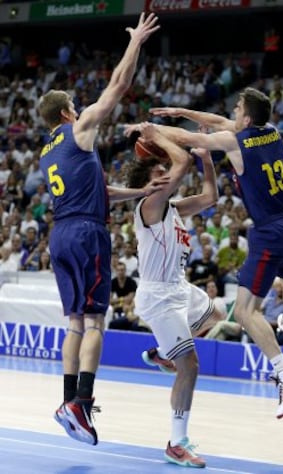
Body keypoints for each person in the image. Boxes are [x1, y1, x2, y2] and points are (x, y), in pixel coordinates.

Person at [129, 87, 283, 419]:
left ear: (245, 117)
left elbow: (186, 141)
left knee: (243, 313)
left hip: (270, 230)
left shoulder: (234, 142)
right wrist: (181, 110)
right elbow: (216, 121)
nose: (233, 111)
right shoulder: (270, 132)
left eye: (237, 106)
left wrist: (151, 130)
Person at [37, 12, 162, 446]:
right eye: (74, 103)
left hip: (61, 234)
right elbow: (118, 86)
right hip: (88, 233)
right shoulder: (79, 129)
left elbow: (97, 190)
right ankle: (82, 402)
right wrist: (136, 42)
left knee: (74, 322)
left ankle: (69, 401)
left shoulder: (46, 154)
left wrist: (138, 191)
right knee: (95, 322)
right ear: (68, 110)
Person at [125, 123, 224, 468]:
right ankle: (176, 442)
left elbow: (211, 197)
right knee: (190, 366)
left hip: (181, 288)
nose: (165, 173)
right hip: (159, 295)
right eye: (158, 170)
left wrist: (207, 158)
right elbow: (181, 161)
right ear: (148, 182)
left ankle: (164, 354)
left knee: (216, 315)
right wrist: (157, 135)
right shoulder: (148, 207)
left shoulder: (175, 210)